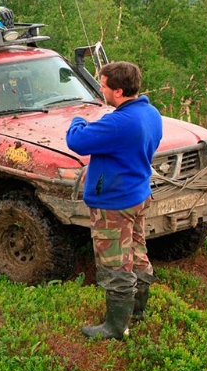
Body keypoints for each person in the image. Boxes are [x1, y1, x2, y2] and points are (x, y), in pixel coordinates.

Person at [66, 61, 163, 340]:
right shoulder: (150, 113)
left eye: (104, 85)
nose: (100, 88)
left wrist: (78, 117)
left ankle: (115, 328)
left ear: (118, 91)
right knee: (136, 251)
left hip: (114, 203)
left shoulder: (118, 123)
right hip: (137, 193)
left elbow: (77, 141)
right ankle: (138, 310)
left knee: (114, 264)